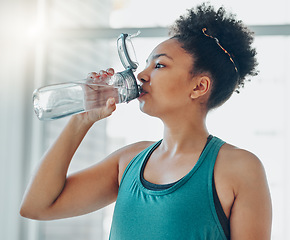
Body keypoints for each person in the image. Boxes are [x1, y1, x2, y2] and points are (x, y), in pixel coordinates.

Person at [20, 3, 272, 240]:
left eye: (160, 65)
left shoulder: (240, 168)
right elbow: (38, 206)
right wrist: (82, 120)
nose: (141, 75)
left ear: (199, 86)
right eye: (147, 65)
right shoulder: (128, 161)